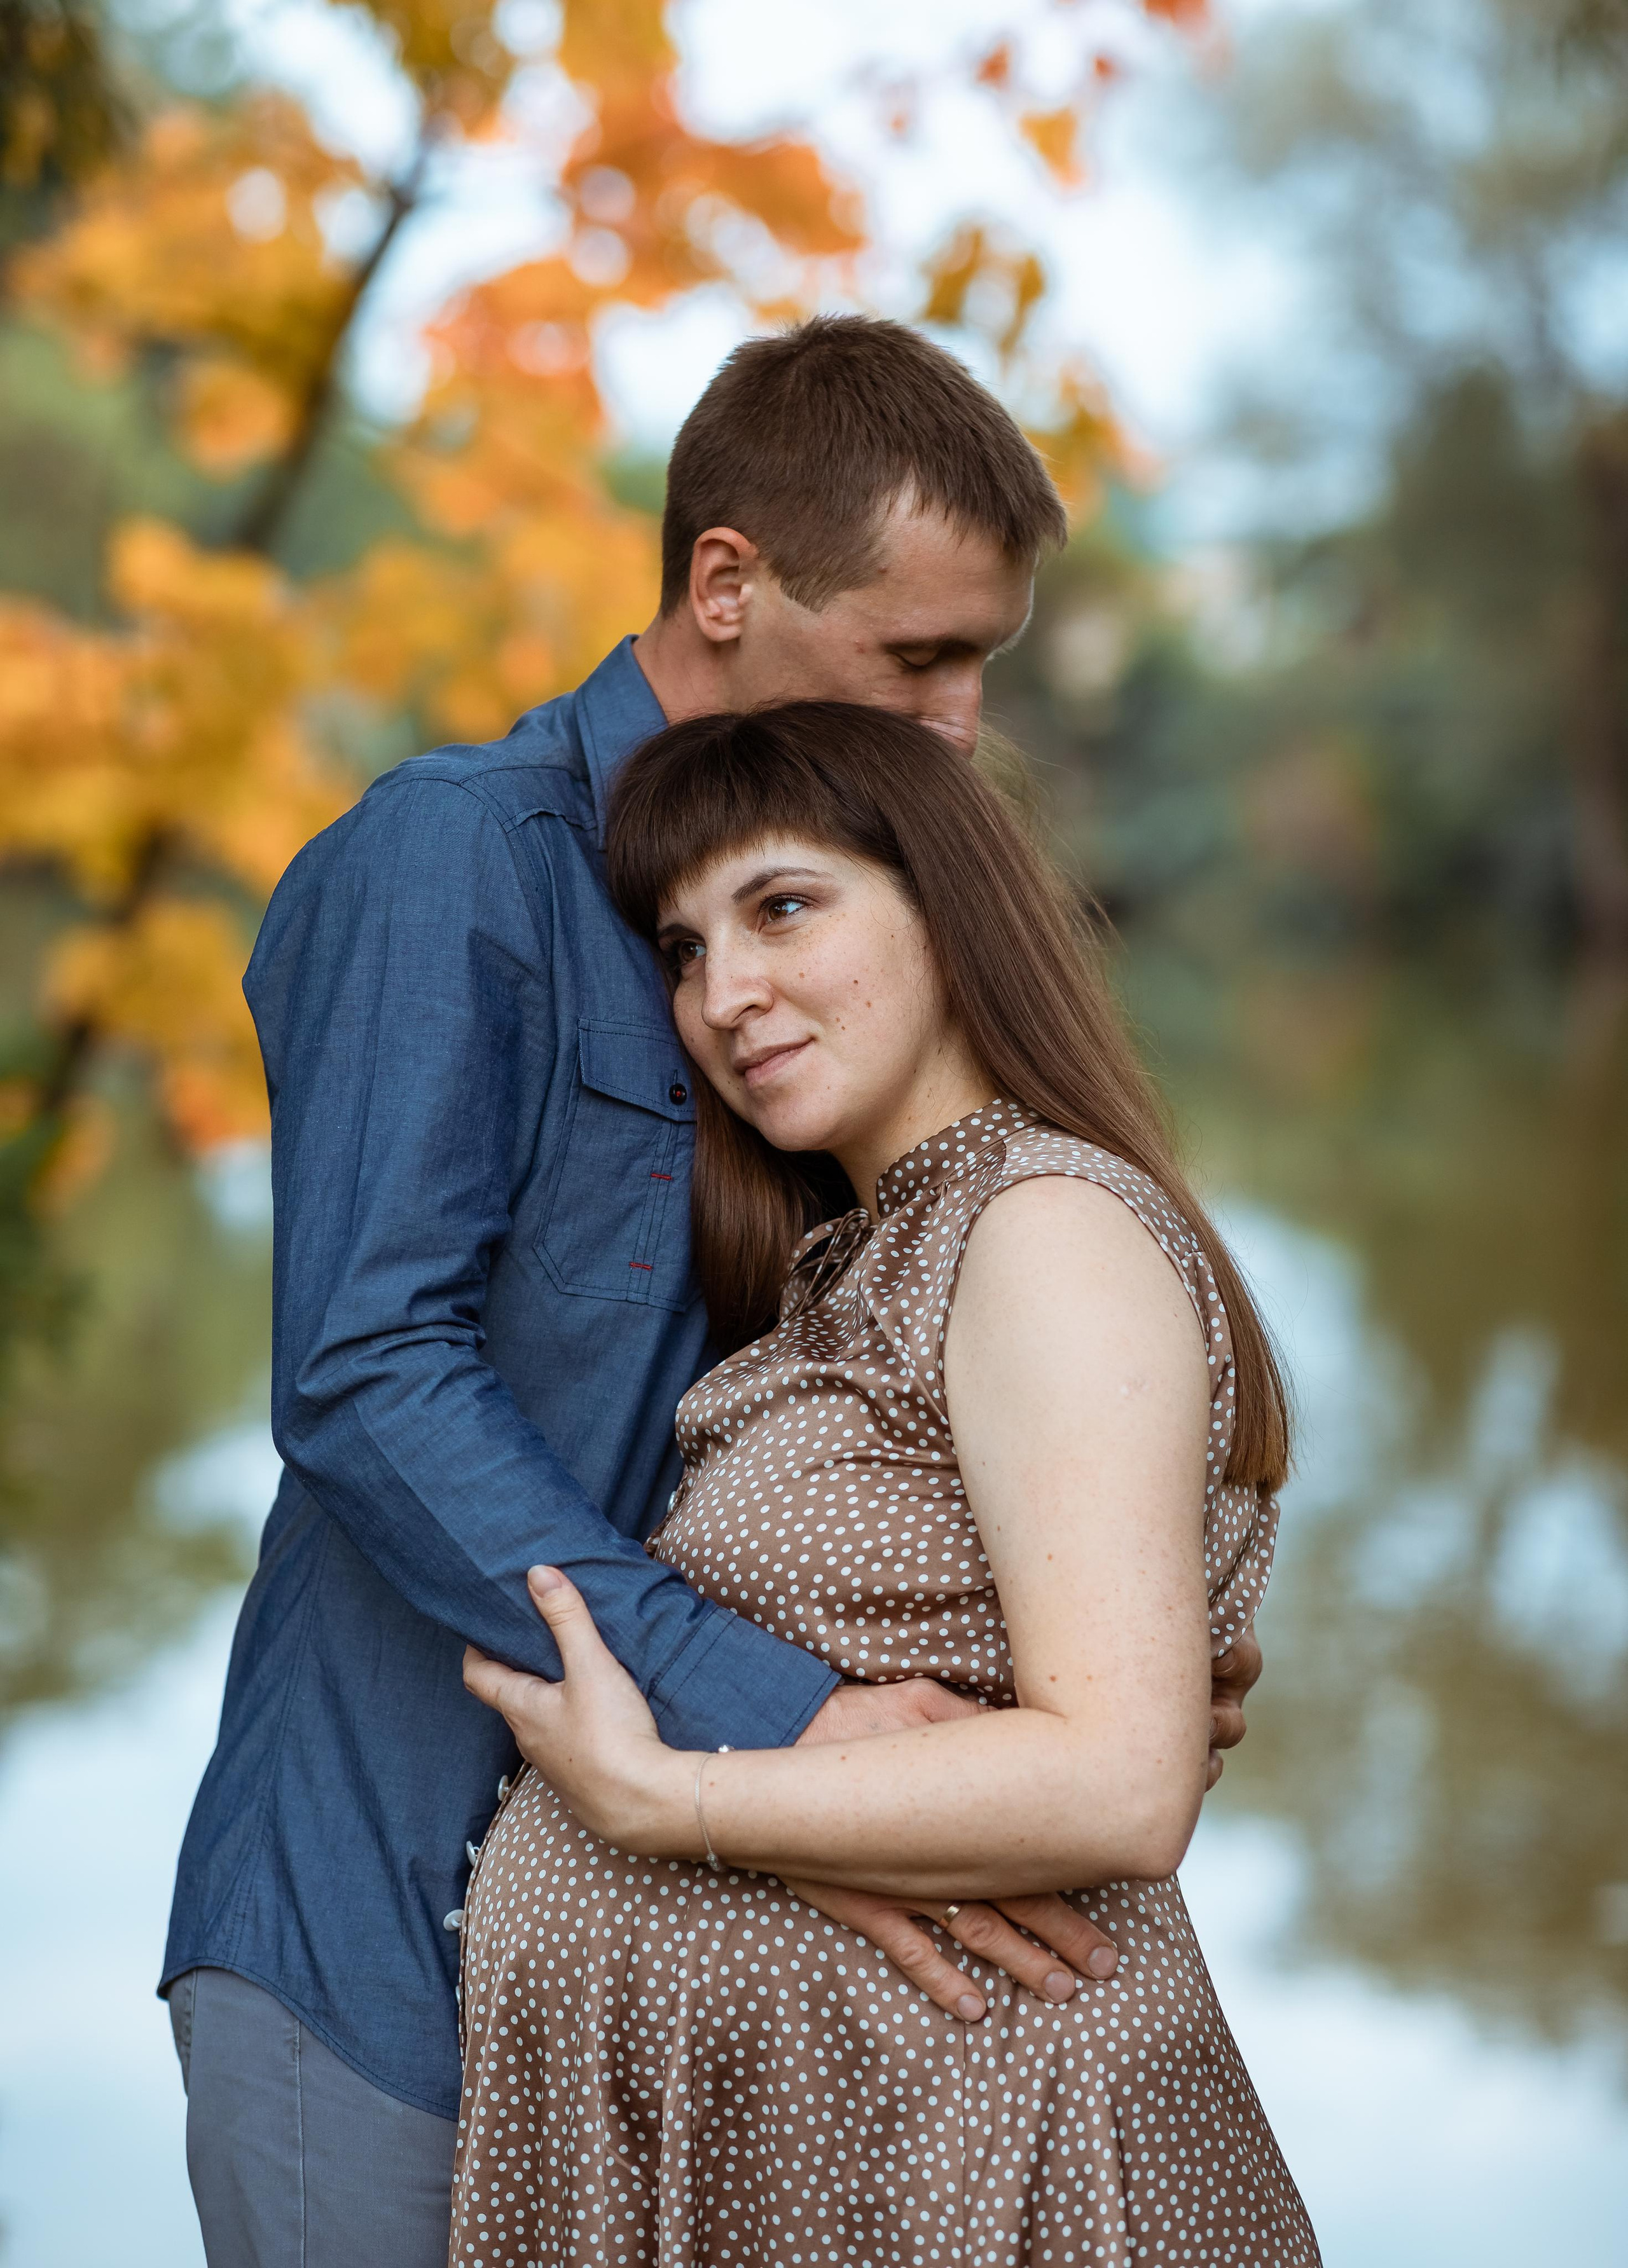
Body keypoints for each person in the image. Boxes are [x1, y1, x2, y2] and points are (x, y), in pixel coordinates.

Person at [160, 315, 1262, 2266]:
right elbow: (362, 1375)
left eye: (982, 666)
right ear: (726, 585)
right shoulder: (457, 863)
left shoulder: (867, 1001)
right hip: (387, 1946)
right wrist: (784, 1723)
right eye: (919, 654)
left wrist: (1065, 1674)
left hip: (703, 2031)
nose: (957, 724)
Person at [453, 701, 1318, 2266]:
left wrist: (668, 1800)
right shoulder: (864, 1251)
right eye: (681, 946)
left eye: (782, 906)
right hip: (830, 2135)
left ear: (948, 902)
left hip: (966, 2150)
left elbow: (1119, 1785)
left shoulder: (1039, 1229)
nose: (726, 993)